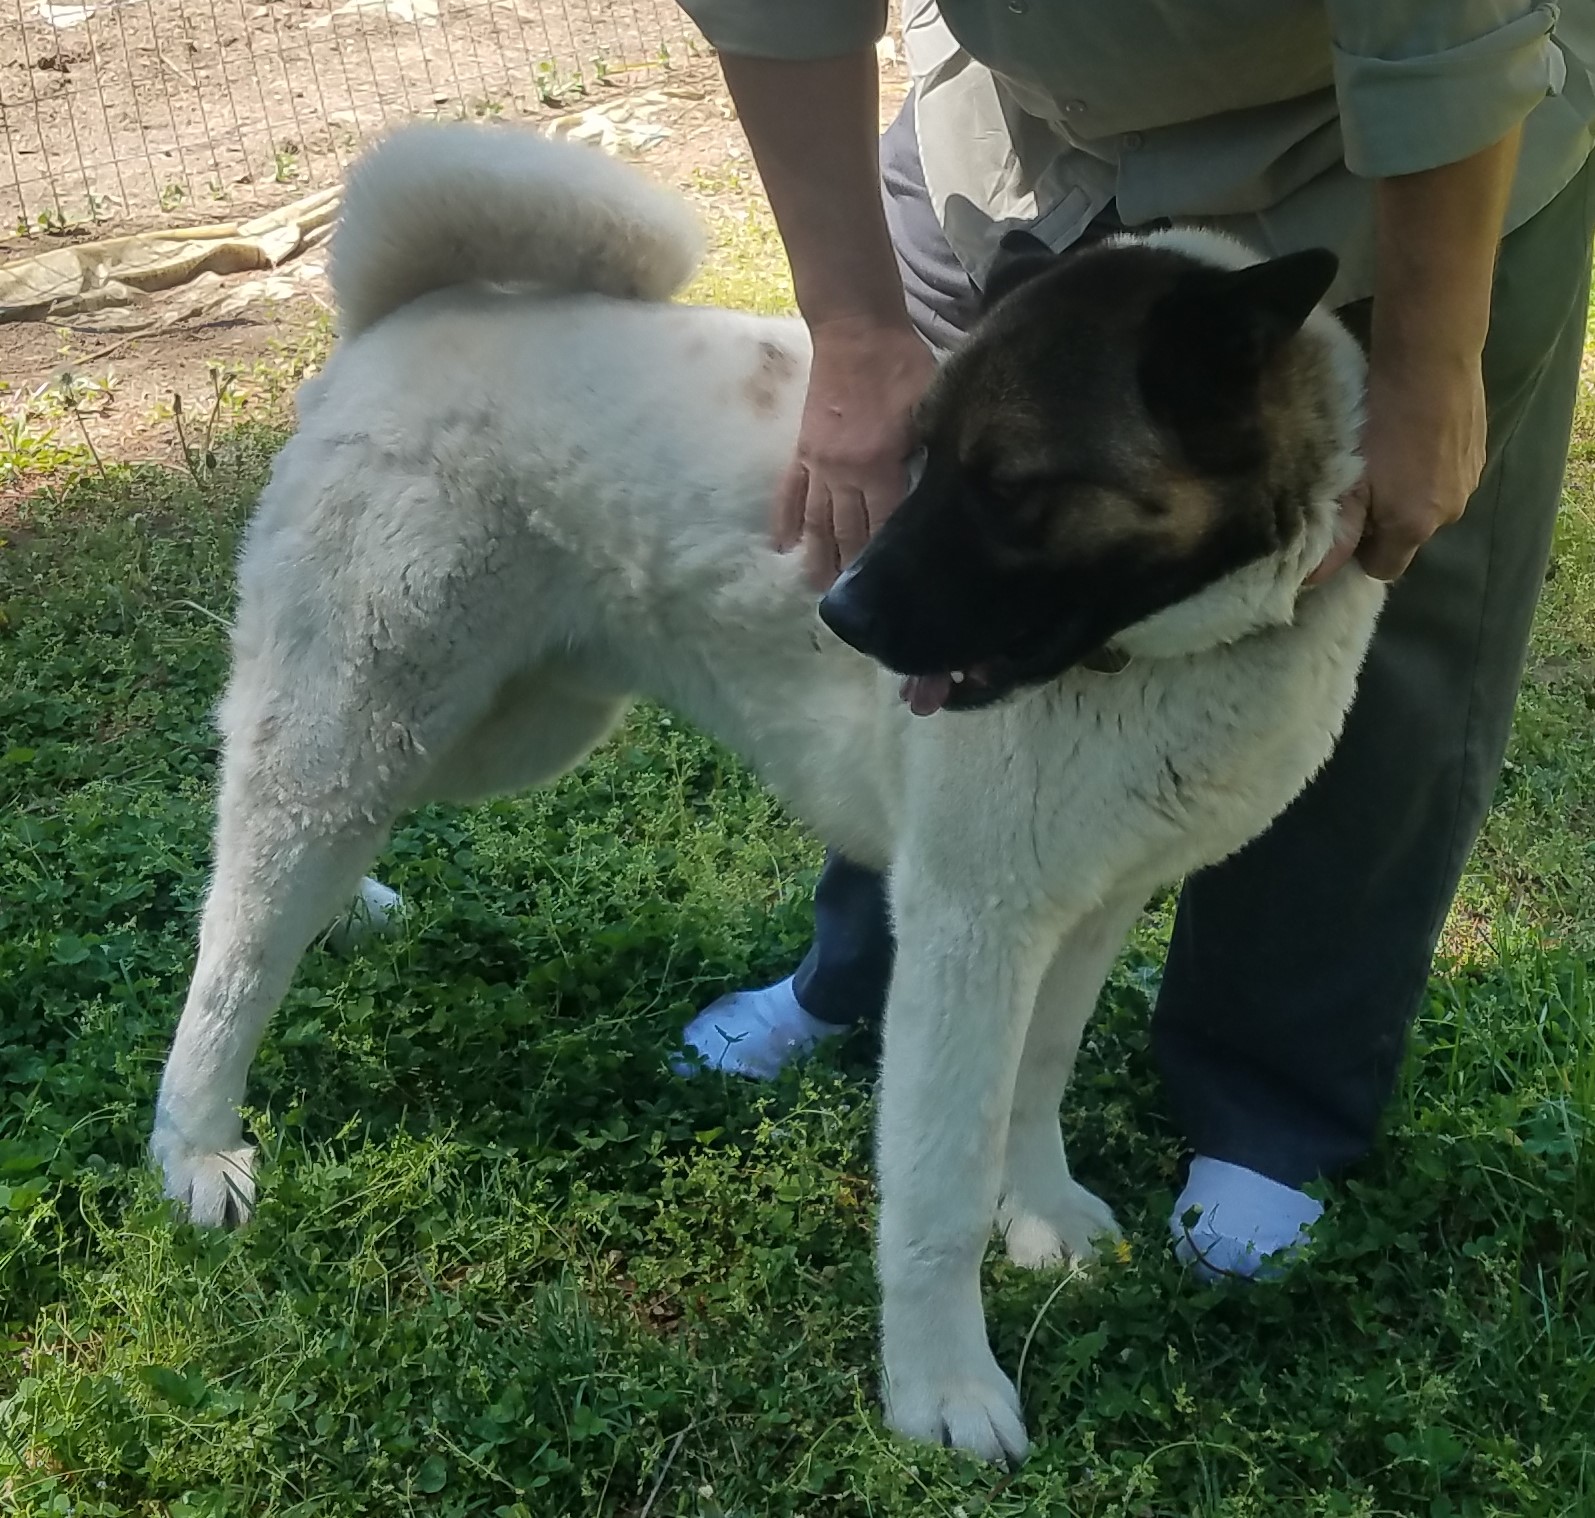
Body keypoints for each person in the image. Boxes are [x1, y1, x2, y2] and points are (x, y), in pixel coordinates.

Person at [673, 0, 1595, 1278]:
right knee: (957, 578)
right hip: (1021, 137)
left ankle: (1266, 1099)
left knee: (1375, 605)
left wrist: (1433, 360)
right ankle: (872, 969)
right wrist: (850, 319)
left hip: (1390, 155)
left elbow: (1443, 21)